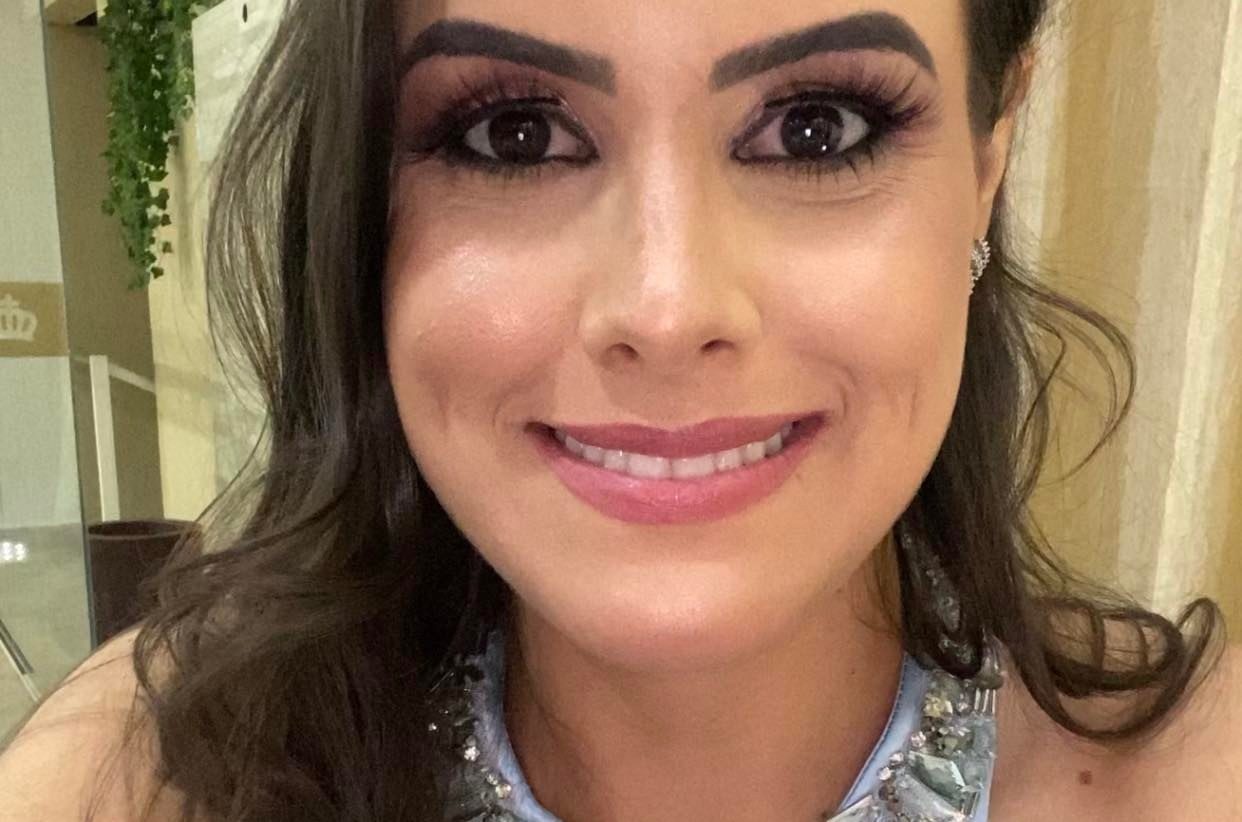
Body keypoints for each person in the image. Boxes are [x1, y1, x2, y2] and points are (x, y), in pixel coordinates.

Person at [1, 1, 1238, 820]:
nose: (667, 305)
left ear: (988, 162)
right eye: (516, 134)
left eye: (818, 129)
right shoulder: (133, 781)